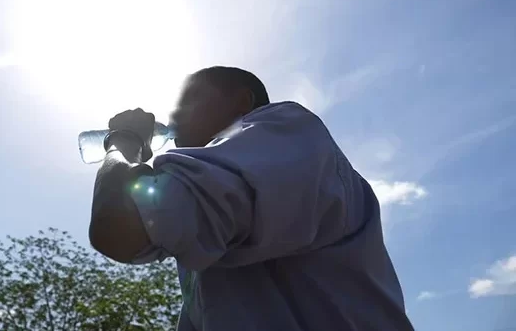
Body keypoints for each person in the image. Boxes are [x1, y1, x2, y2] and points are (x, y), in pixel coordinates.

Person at [88, 66, 414, 331]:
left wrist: (123, 141)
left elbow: (118, 226)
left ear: (243, 101)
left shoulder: (285, 131)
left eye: (189, 101)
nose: (174, 115)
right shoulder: (211, 216)